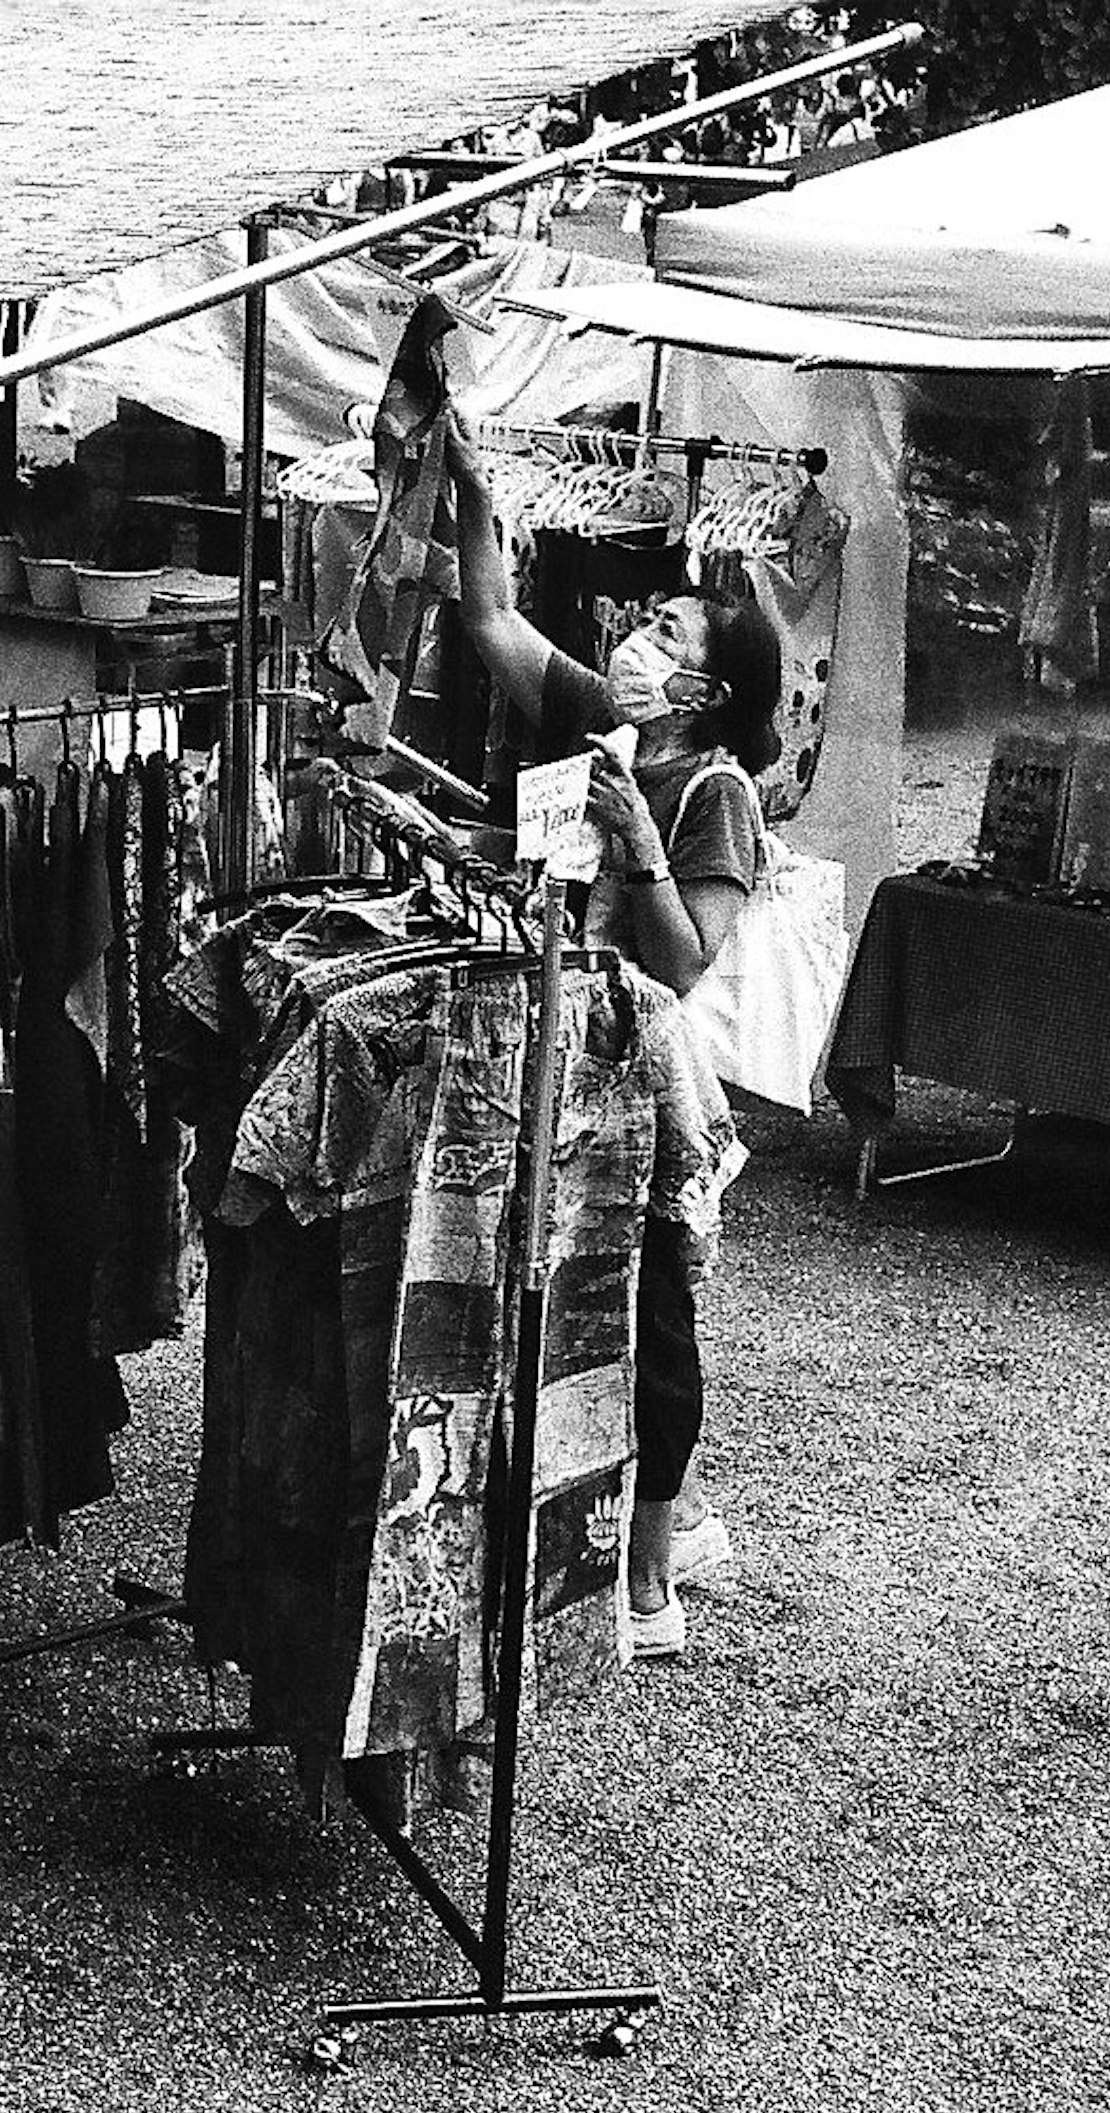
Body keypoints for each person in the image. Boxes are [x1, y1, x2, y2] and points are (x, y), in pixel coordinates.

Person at [443, 415, 774, 1659]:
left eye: (672, 631)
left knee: (647, 1325)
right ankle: (555, 1532)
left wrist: (636, 836)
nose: (641, 634)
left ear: (709, 687)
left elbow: (686, 958)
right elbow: (488, 623)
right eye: (650, 618)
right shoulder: (600, 719)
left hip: (634, 1072)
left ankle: (652, 1576)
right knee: (540, 1300)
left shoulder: (716, 791)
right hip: (547, 1040)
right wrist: (478, 493)